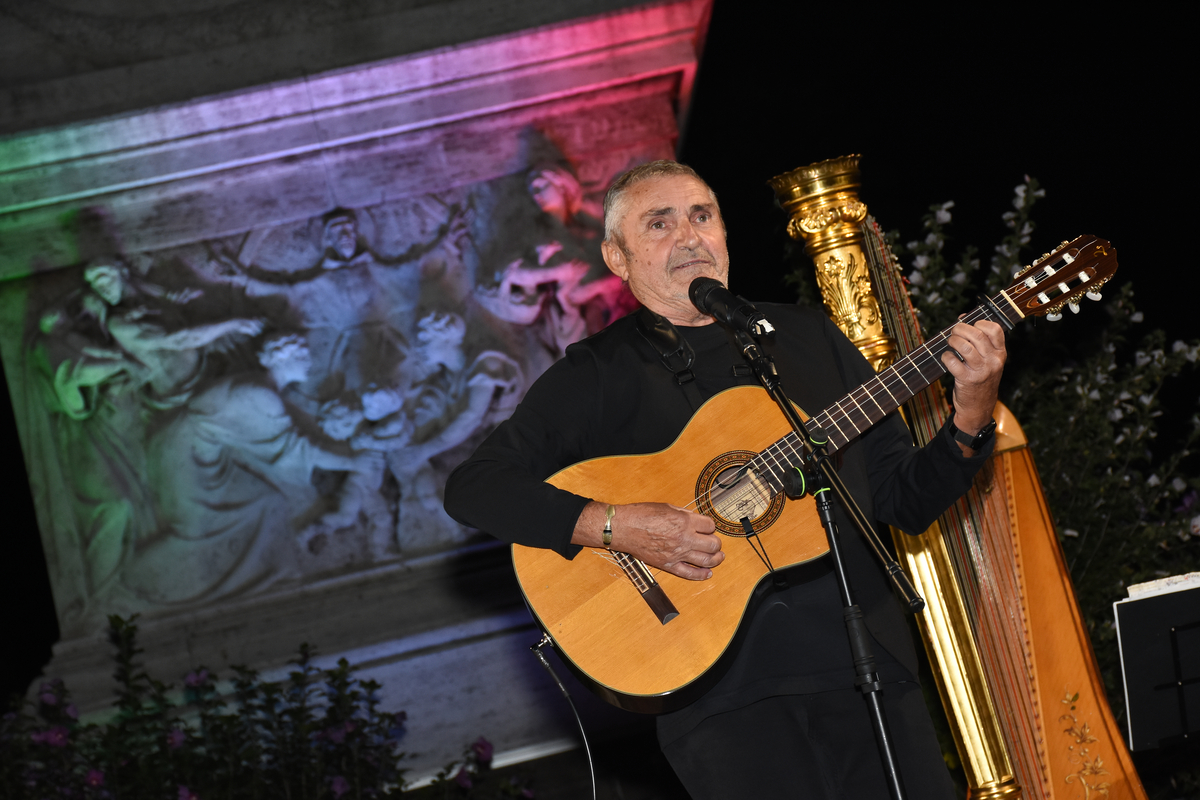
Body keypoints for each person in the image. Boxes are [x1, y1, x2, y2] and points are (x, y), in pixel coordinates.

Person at [443, 161, 1006, 798]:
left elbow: (905, 499)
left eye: (701, 216)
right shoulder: (595, 377)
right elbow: (475, 487)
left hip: (869, 671)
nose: (688, 236)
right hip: (718, 699)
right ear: (617, 257)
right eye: (660, 223)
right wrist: (615, 525)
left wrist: (972, 412)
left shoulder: (806, 340)